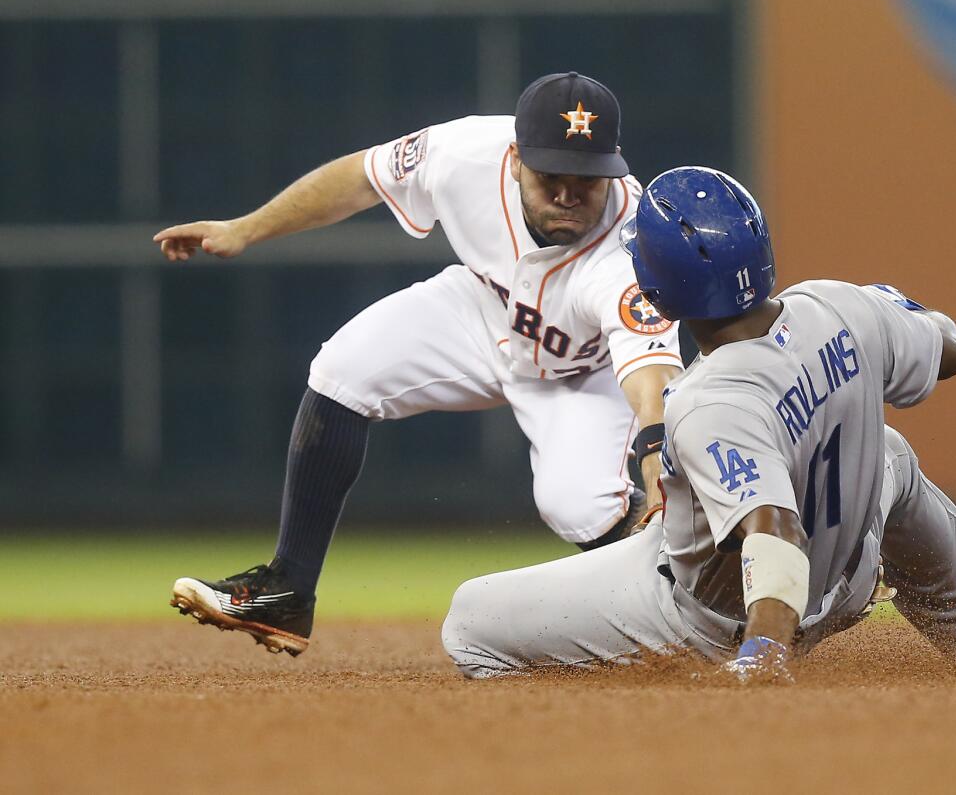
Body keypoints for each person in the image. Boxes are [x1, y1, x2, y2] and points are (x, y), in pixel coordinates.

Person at [156, 72, 683, 656]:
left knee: (578, 505)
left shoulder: (633, 247)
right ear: (514, 161)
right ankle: (288, 590)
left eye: (585, 179)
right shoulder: (460, 152)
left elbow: (650, 371)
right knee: (344, 369)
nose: (566, 194)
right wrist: (246, 228)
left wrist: (658, 446)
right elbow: (358, 179)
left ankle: (682, 608)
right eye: (550, 174)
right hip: (488, 308)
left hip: (588, 368)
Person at [441, 165, 956, 680]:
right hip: (846, 576)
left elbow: (774, 534)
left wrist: (763, 652)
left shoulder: (707, 401)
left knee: (469, 622)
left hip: (723, 617)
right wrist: (893, 311)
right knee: (887, 453)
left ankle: (649, 693)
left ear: (656, 291)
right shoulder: (839, 306)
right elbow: (952, 351)